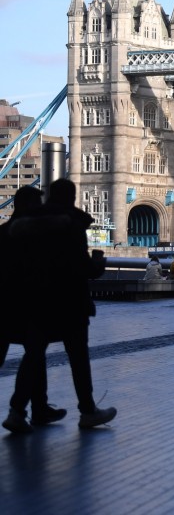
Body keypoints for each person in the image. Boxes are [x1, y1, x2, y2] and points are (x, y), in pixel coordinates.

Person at [30, 179, 115, 429]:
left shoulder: (31, 225)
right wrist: (97, 264)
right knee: (78, 357)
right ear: (72, 197)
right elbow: (81, 267)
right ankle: (88, 409)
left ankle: (37, 408)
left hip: (37, 300)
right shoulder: (72, 225)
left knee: (35, 356)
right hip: (70, 301)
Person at [1, 186, 67, 433]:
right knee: (34, 356)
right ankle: (18, 411)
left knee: (35, 356)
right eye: (37, 205)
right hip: (29, 307)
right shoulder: (34, 237)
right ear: (28, 205)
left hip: (5, 306)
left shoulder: (3, 232)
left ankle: (39, 408)